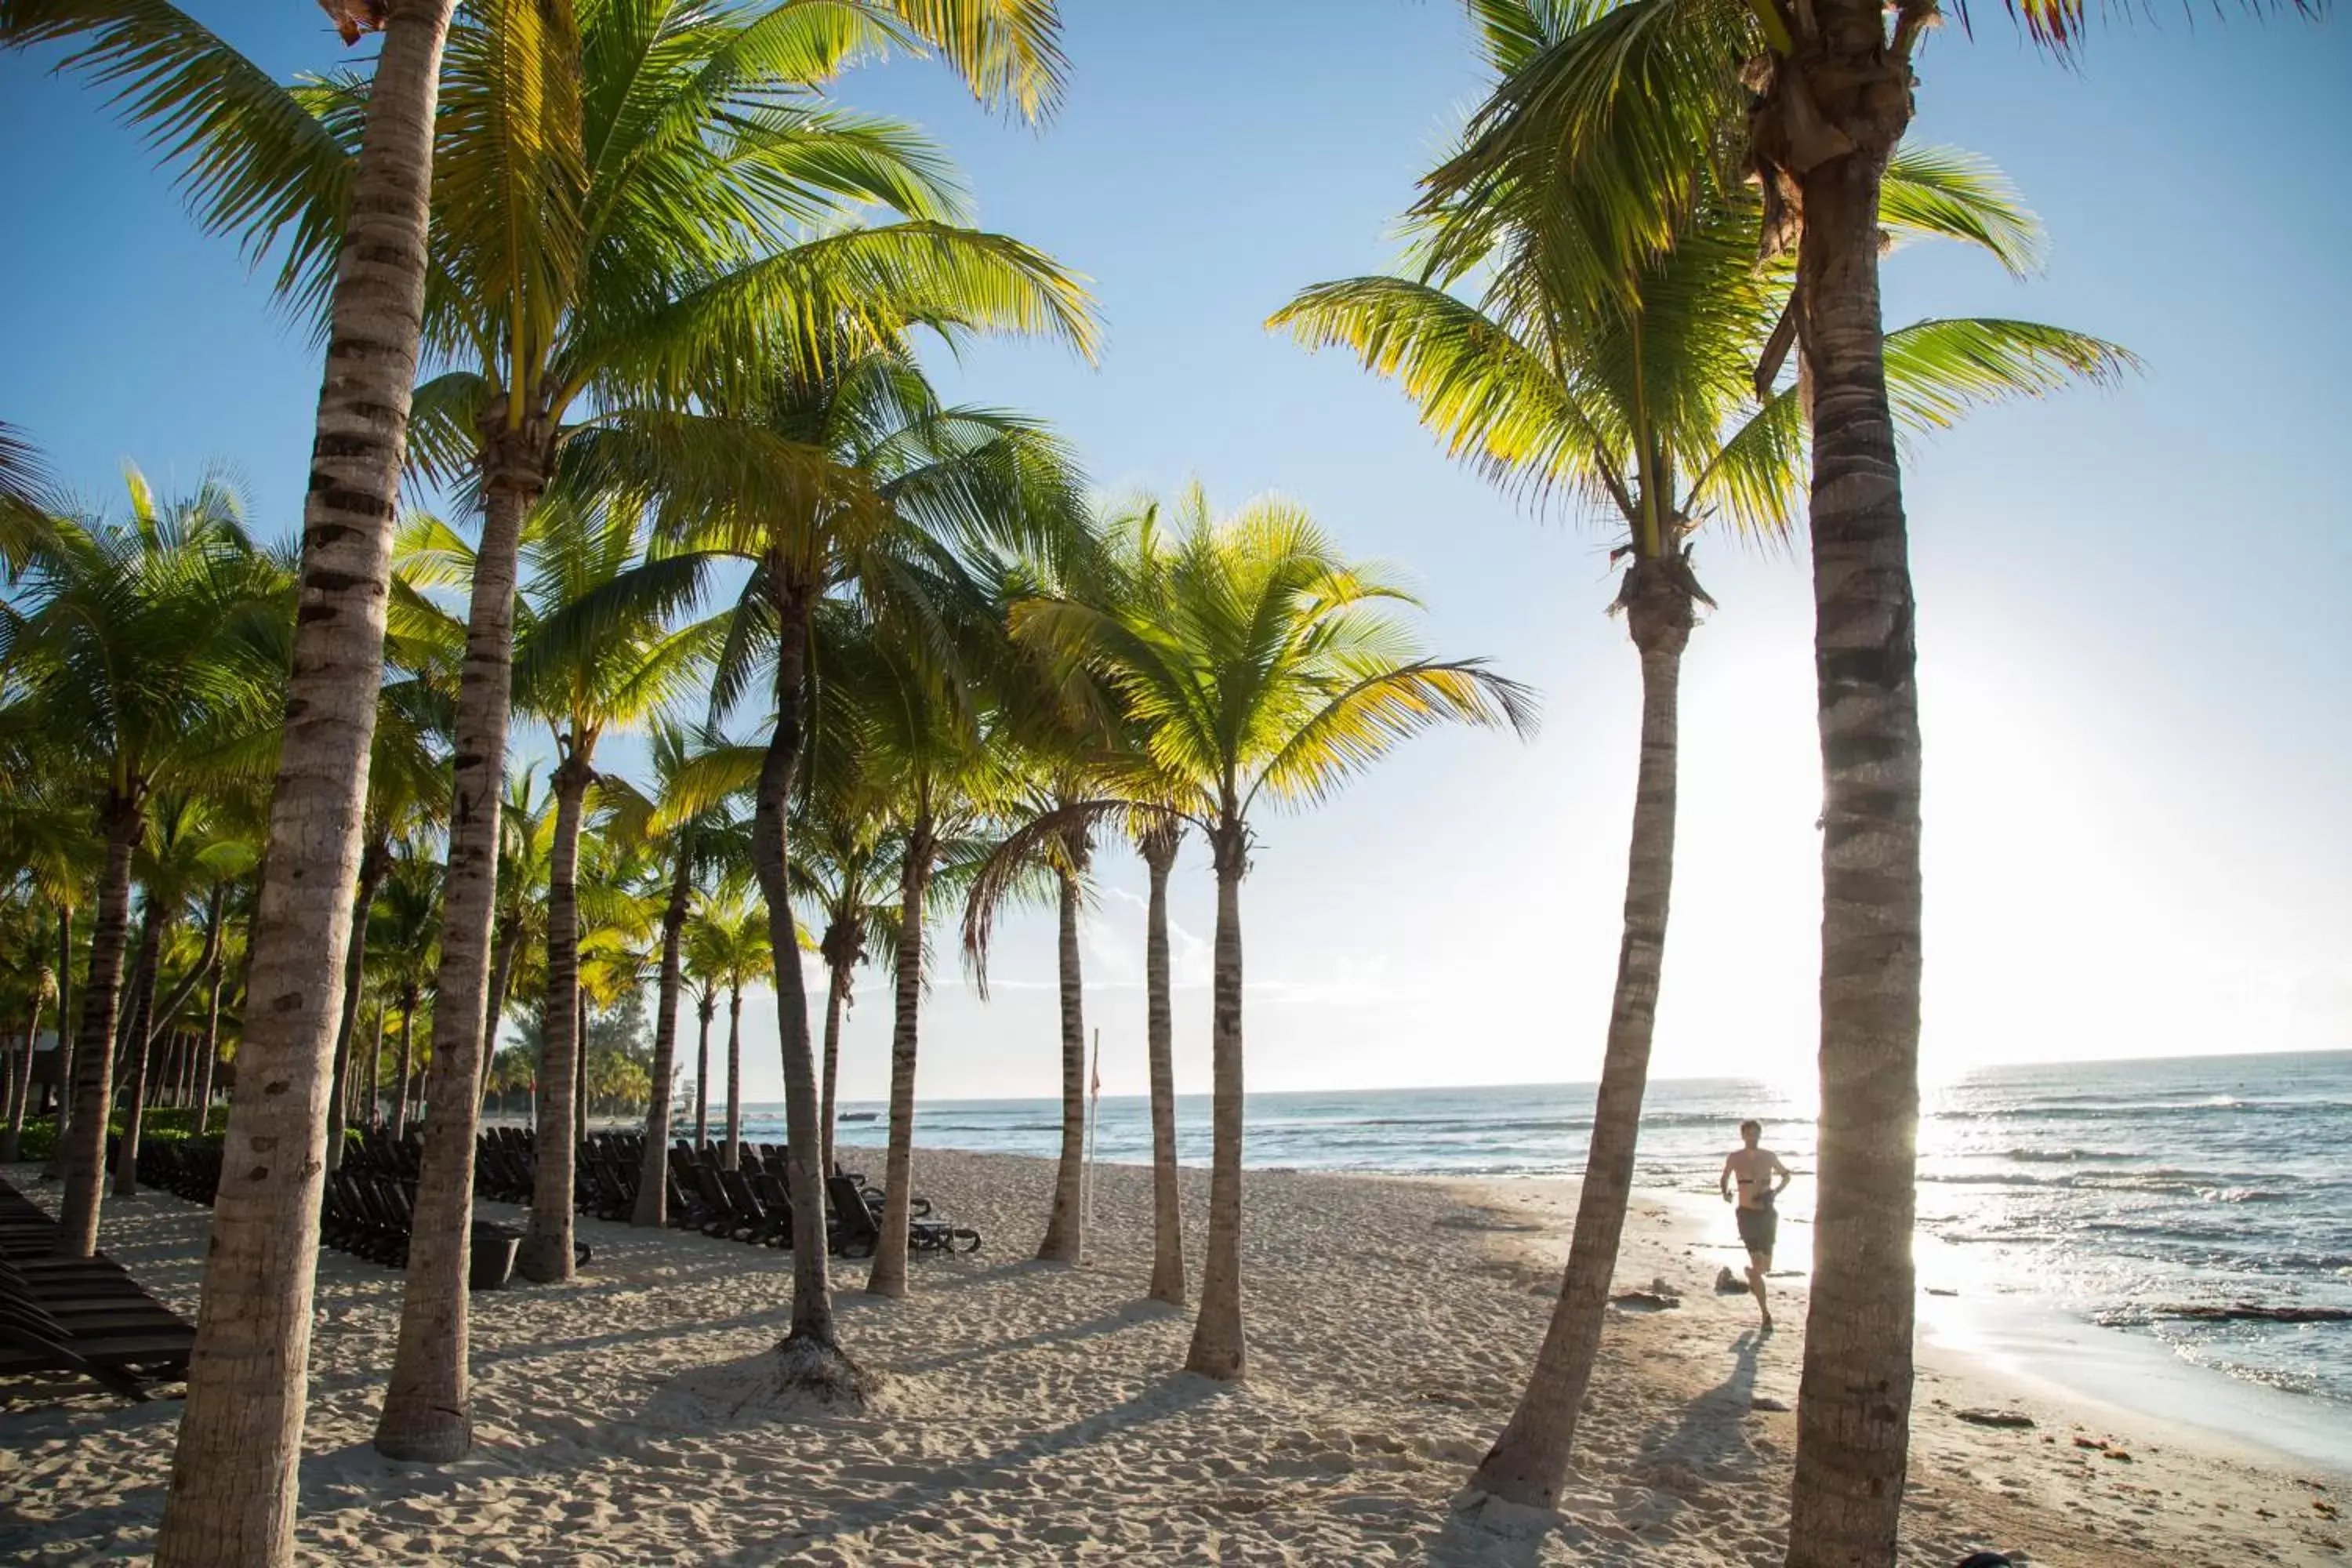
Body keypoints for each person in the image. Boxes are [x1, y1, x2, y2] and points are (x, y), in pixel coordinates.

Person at [1719, 1119, 1791, 1330]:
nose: (1753, 1138)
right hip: (1746, 1215)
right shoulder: (1735, 1158)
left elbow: (1787, 1176)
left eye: (1756, 1134)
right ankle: (1765, 1314)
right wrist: (1725, 1192)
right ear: (1743, 1136)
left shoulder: (1769, 1156)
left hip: (1767, 1215)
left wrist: (1774, 1193)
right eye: (1749, 1134)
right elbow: (1724, 1178)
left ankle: (1752, 1273)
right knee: (1758, 1260)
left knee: (1764, 1268)